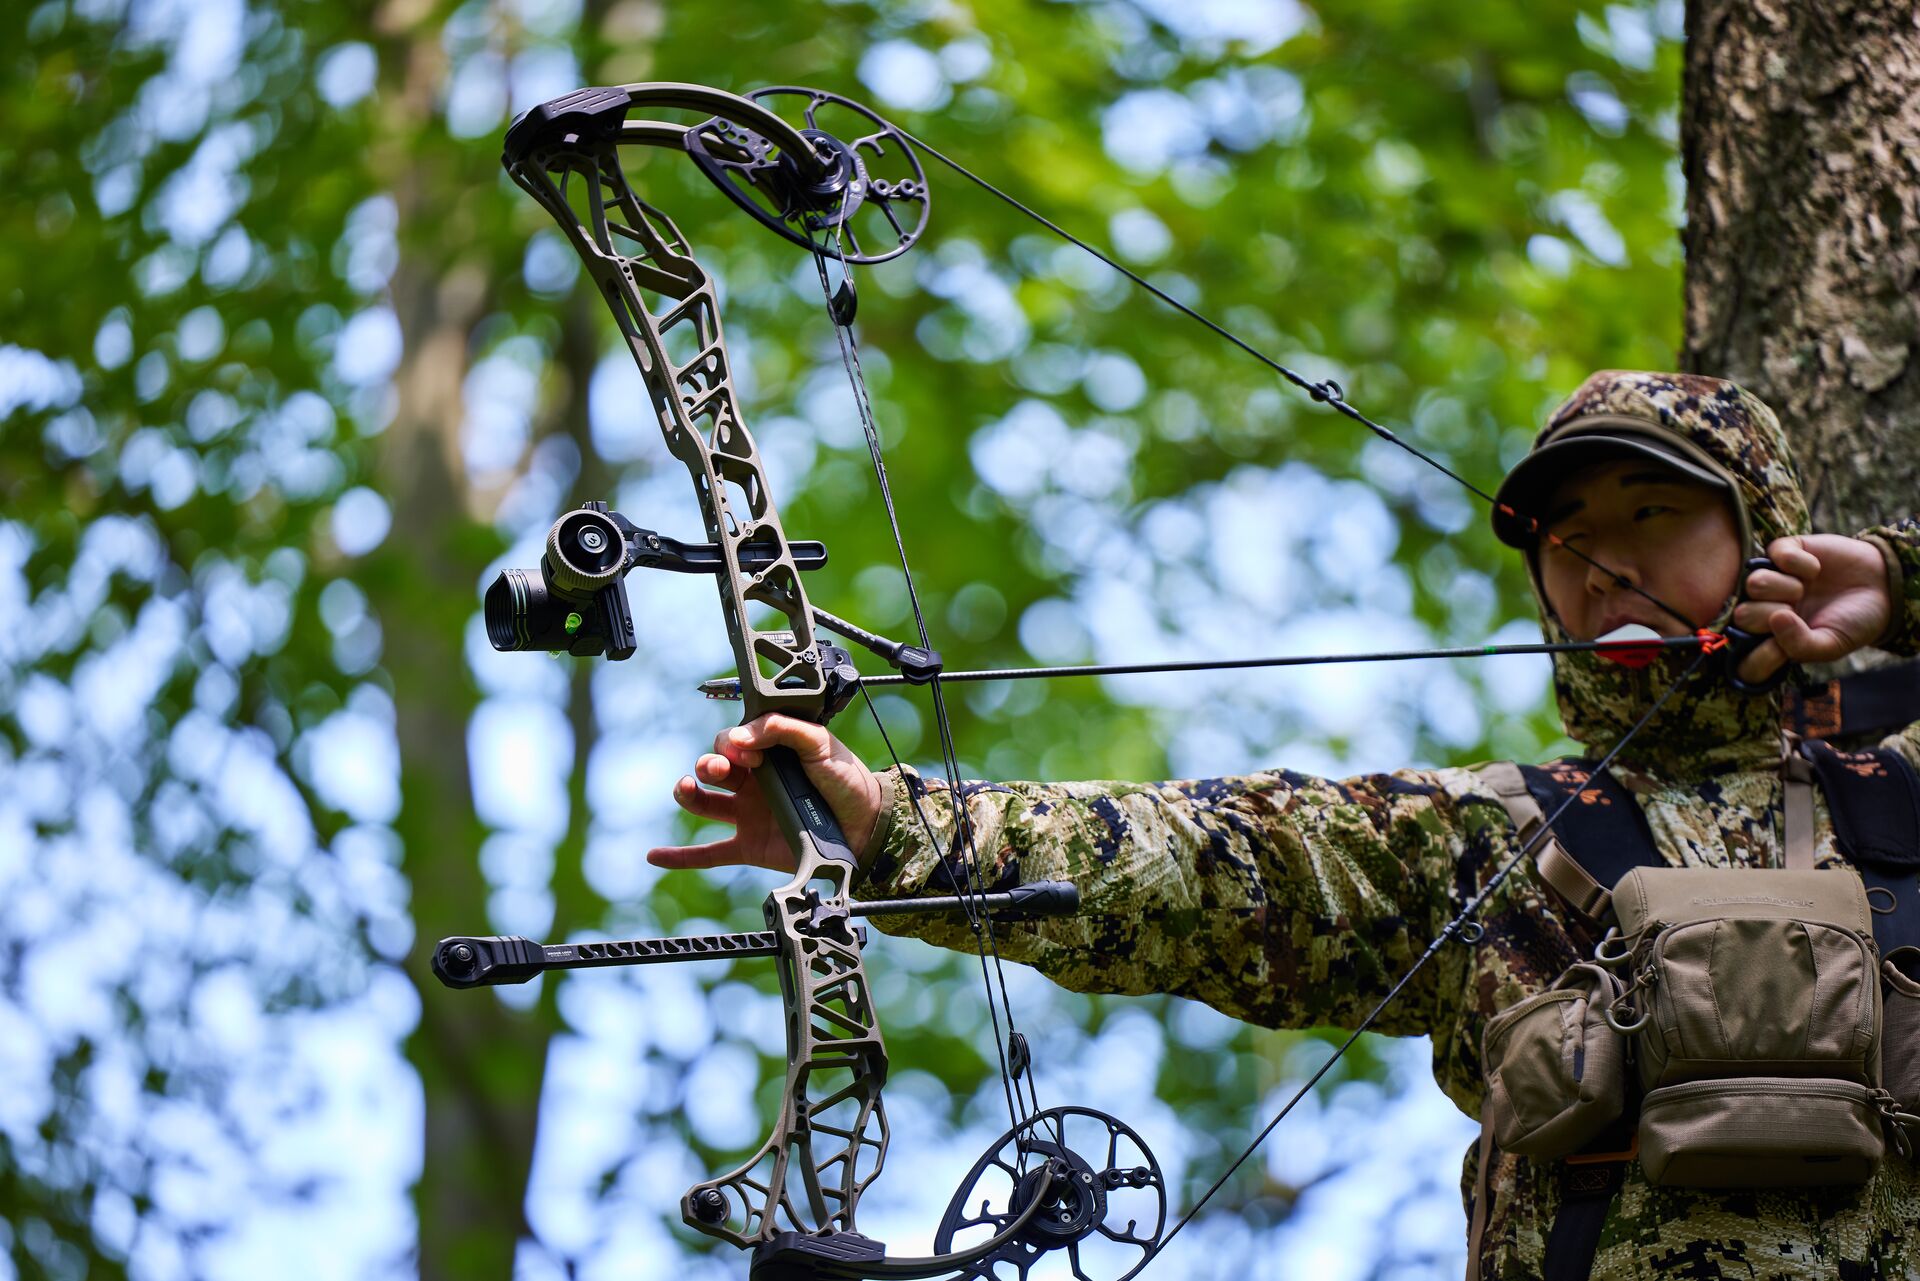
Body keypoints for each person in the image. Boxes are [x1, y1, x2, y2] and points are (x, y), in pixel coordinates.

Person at [647, 370, 1920, 1277]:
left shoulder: (1902, 788)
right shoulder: (1493, 839)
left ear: (1763, 532)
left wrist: (1899, 581)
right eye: (1570, 539)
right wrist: (886, 823)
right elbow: (1206, 860)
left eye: (1656, 516)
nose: (1605, 567)